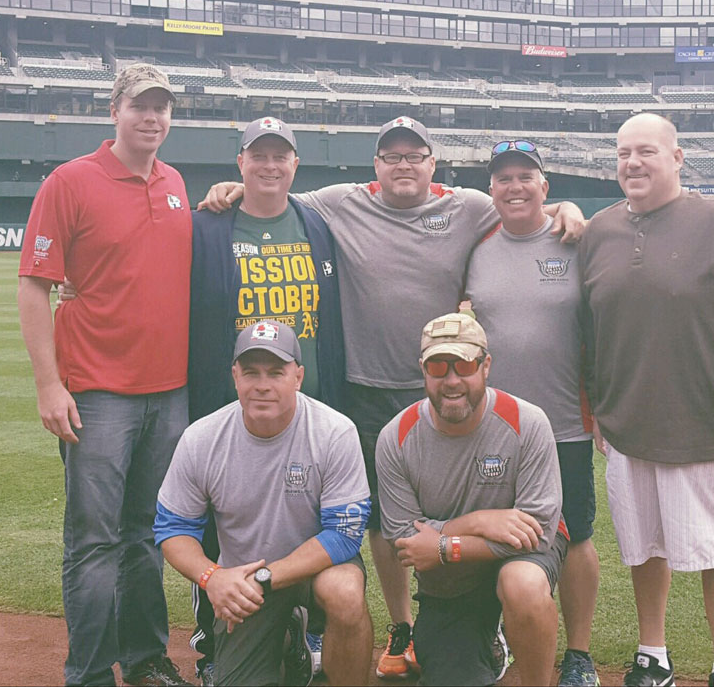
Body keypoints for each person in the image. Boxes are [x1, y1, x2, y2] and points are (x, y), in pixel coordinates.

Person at [200, 115, 585, 678]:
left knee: (454, 500)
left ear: (434, 164)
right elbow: (274, 189)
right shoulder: (338, 201)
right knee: (384, 519)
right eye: (392, 157)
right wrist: (235, 188)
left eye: (415, 156)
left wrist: (563, 211)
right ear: (375, 166)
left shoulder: (469, 205)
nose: (404, 166)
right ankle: (403, 624)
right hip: (367, 386)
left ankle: (481, 610)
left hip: (443, 379)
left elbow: (520, 202)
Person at [579, 113, 714, 687]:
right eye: (622, 153)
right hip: (625, 425)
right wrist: (597, 409)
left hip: (703, 422)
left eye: (646, 151)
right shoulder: (599, 230)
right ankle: (653, 652)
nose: (633, 162)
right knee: (645, 546)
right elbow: (588, 333)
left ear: (677, 157)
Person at [18, 64, 192, 686]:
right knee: (93, 544)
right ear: (114, 109)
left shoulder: (176, 183)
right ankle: (89, 673)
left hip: (169, 393)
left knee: (147, 537)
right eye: (141, 105)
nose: (152, 117)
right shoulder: (72, 181)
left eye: (163, 107)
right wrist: (48, 383)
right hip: (96, 392)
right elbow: (34, 286)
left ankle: (145, 659)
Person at [187, 116, 345, 685]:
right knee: (226, 522)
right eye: (259, 156)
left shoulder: (316, 223)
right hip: (234, 400)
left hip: (310, 400)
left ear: (295, 165)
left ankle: (309, 632)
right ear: (241, 163)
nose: (270, 166)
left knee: (309, 519)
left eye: (281, 156)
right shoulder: (210, 227)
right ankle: (216, 635)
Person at [154, 320, 373, 687]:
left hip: (309, 572)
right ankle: (290, 644)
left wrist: (266, 578)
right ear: (235, 376)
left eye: (276, 372)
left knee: (345, 592)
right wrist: (214, 578)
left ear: (299, 377)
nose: (262, 385)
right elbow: (173, 528)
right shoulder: (202, 438)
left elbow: (344, 535)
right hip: (242, 583)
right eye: (251, 372)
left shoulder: (334, 432)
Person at [463, 139, 600, 687]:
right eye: (503, 178)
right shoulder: (475, 243)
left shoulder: (575, 238)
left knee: (578, 534)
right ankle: (496, 632)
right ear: (490, 189)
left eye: (526, 176)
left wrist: (572, 210)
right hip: (491, 427)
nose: (514, 186)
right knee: (494, 533)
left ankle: (580, 653)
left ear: (545, 185)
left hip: (565, 421)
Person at [375, 312, 568, 687]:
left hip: (511, 555)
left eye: (464, 365)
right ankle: (489, 638)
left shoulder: (527, 422)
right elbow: (404, 538)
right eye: (438, 366)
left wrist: (447, 545)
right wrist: (479, 522)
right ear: (422, 370)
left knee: (522, 583)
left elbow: (539, 533)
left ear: (486, 366)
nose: (451, 381)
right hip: (449, 577)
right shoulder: (395, 436)